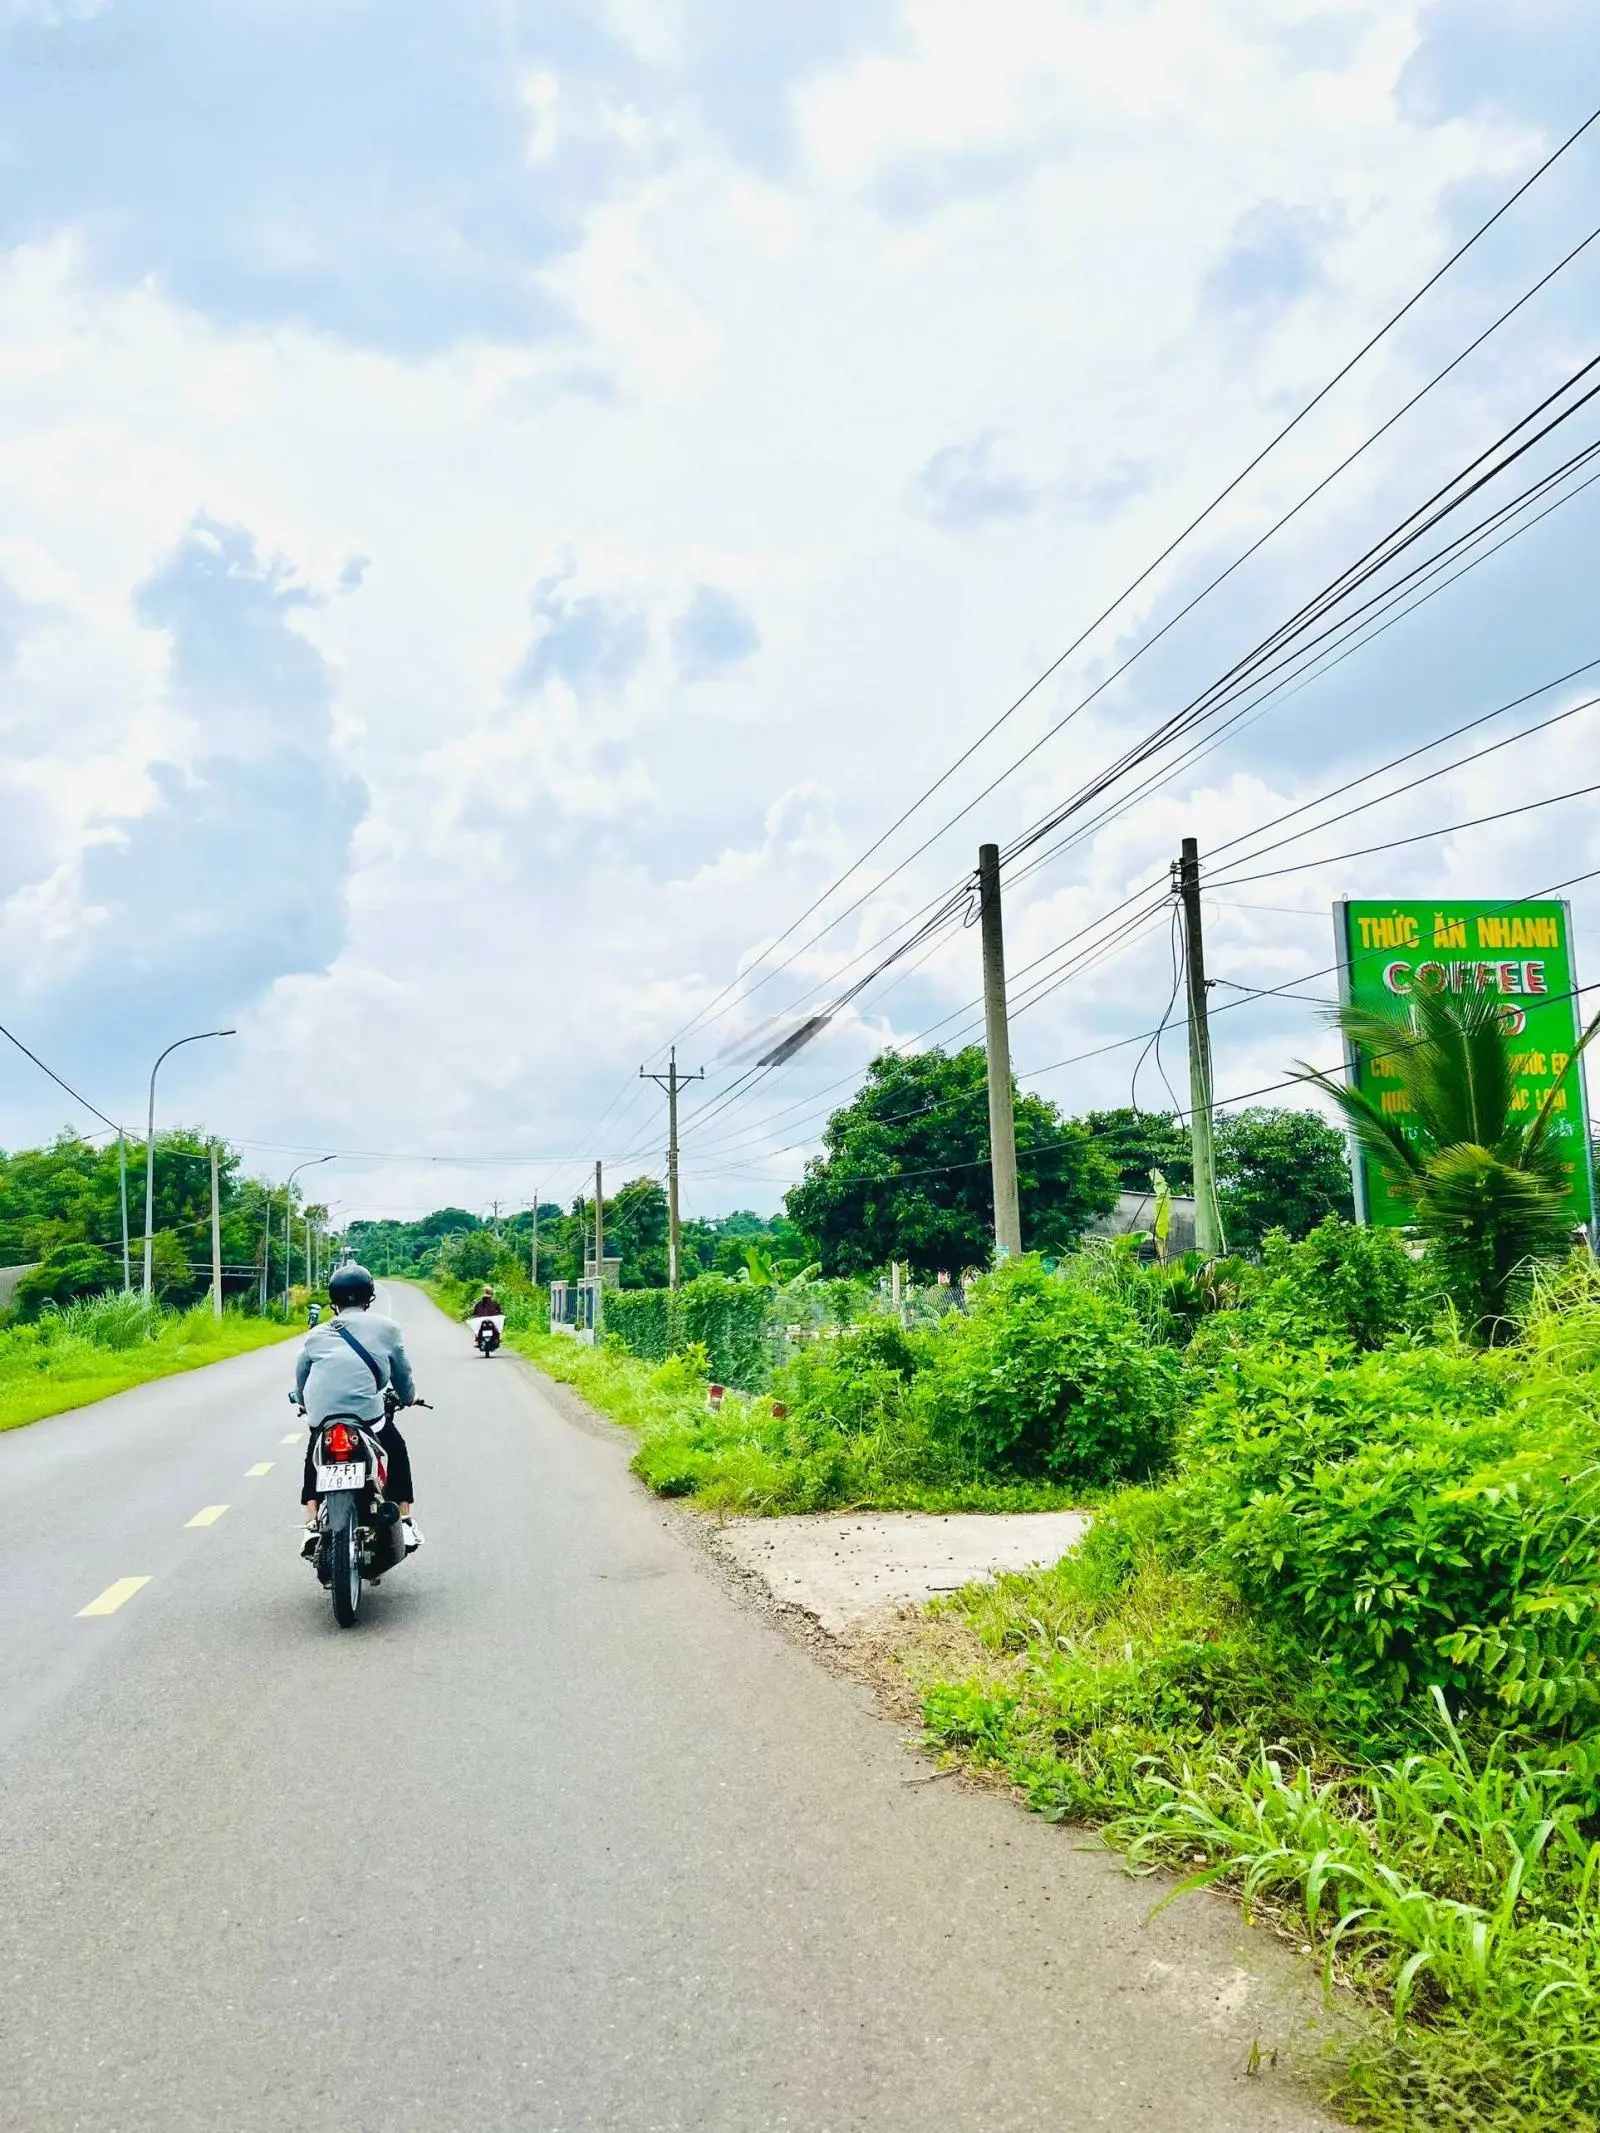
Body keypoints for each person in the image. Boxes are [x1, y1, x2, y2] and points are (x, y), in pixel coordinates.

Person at [295, 1263, 423, 1560]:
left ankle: (311, 1522)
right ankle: (404, 1520)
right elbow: (401, 1375)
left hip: (323, 1416)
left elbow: (301, 1375)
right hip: (368, 1417)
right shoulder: (387, 1328)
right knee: (396, 1448)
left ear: (333, 1300)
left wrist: (303, 1402)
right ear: (370, 1297)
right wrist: (409, 1397)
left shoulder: (317, 1334)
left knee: (315, 1452)